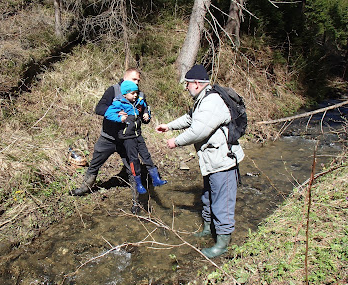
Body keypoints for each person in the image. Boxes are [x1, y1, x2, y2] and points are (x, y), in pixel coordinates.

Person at [155, 65, 244, 258]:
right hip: (211, 161)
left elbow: (198, 131)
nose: (186, 87)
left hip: (223, 161)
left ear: (196, 83)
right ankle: (207, 229)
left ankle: (222, 244)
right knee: (208, 197)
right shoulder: (202, 99)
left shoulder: (212, 101)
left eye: (187, 83)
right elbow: (190, 119)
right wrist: (169, 126)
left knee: (222, 203)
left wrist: (175, 142)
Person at [70, 68, 144, 214]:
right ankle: (85, 187)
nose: (137, 83)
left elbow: (142, 114)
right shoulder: (113, 90)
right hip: (108, 138)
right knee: (95, 164)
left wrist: (145, 116)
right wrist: (115, 113)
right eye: (135, 80)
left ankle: (137, 202)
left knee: (133, 169)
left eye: (138, 81)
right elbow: (99, 108)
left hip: (127, 140)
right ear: (126, 78)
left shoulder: (139, 95)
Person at [104, 80, 167, 194]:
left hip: (138, 135)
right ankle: (138, 184)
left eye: (136, 92)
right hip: (127, 137)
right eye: (132, 93)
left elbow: (146, 107)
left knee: (146, 156)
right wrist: (120, 118)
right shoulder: (119, 103)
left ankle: (156, 179)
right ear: (125, 94)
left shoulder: (139, 101)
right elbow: (108, 114)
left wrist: (147, 114)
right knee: (134, 160)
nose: (135, 95)